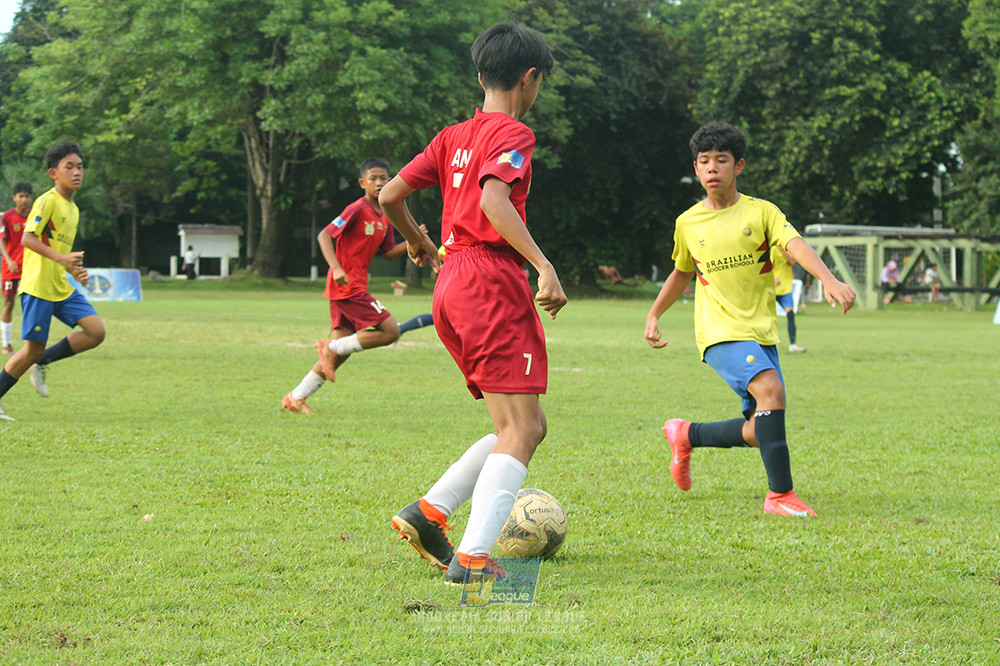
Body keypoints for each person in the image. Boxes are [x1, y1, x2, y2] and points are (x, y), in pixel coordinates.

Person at [379, 22, 565, 584]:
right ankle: (473, 560)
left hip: (451, 284)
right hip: (489, 281)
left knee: (525, 423)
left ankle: (429, 513)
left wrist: (416, 240)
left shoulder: (451, 135)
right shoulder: (513, 133)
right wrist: (544, 264)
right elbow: (493, 200)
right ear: (529, 79)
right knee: (521, 429)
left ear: (481, 73)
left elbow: (389, 196)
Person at [644, 122, 855, 517]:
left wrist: (828, 279)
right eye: (704, 162)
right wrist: (655, 313)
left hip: (760, 333)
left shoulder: (761, 212)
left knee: (762, 428)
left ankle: (685, 435)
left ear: (738, 166)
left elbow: (795, 245)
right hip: (719, 333)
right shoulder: (688, 223)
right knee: (771, 392)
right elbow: (681, 272)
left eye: (721, 161)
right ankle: (780, 496)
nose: (711, 169)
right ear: (695, 167)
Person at [280, 158, 411, 415]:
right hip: (347, 285)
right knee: (391, 331)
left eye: (384, 178)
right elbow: (324, 235)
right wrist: (336, 268)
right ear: (362, 183)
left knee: (339, 354)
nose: (379, 183)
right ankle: (327, 347)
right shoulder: (357, 208)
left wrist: (412, 240)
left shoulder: (386, 213)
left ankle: (295, 397)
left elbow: (388, 253)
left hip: (353, 284)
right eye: (373, 178)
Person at [0, 141, 106, 421]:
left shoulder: (74, 209)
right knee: (31, 349)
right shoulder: (47, 200)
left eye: (80, 167)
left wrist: (73, 269)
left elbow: (58, 251)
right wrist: (63, 261)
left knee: (96, 332)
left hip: (60, 285)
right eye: (68, 167)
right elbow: (27, 238)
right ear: (53, 173)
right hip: (38, 287)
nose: (76, 172)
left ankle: (43, 360)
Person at [0, 182, 33, 354]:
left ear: (31, 198)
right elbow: (2, 240)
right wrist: (8, 260)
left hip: (30, 267)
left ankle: (29, 344)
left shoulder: (35, 216)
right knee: (8, 303)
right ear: (14, 198)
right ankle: (6, 344)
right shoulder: (7, 216)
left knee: (30, 303)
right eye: (20, 196)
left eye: (27, 196)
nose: (24, 199)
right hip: (10, 267)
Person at [771, 245, 805, 353]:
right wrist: (773, 278)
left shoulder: (788, 250)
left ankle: (792, 345)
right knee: (767, 317)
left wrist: (783, 250)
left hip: (786, 289)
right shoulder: (772, 250)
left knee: (790, 315)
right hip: (773, 289)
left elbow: (792, 262)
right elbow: (766, 267)